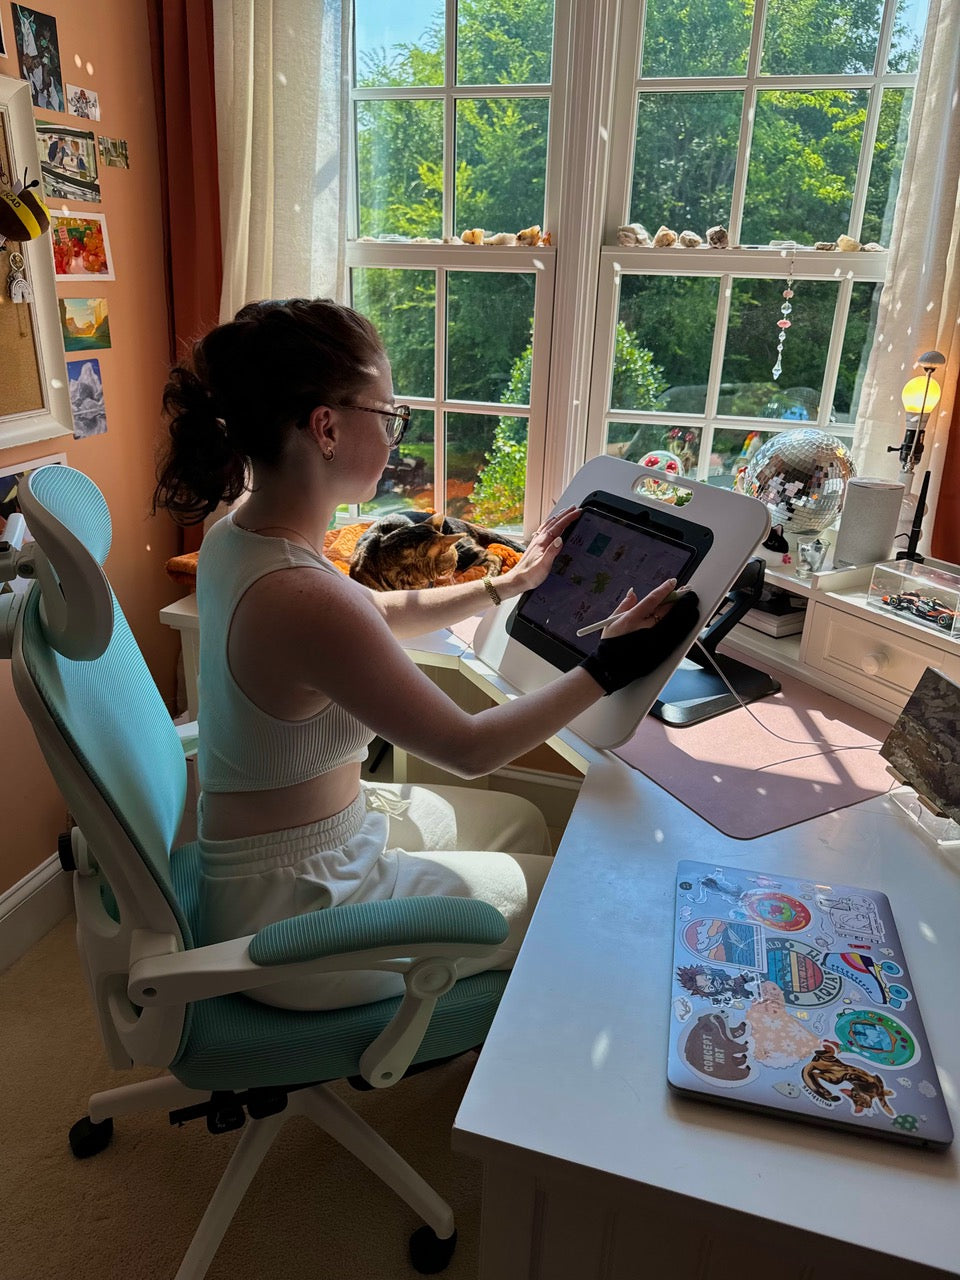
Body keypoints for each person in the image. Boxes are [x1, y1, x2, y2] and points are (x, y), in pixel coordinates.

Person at [153, 298, 698, 1011]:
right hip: (299, 912)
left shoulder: (237, 538)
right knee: (578, 896)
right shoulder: (303, 595)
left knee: (520, 820)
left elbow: (367, 616)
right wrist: (608, 667)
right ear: (326, 427)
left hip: (298, 854)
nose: (392, 434)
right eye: (388, 415)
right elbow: (470, 748)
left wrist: (505, 585)